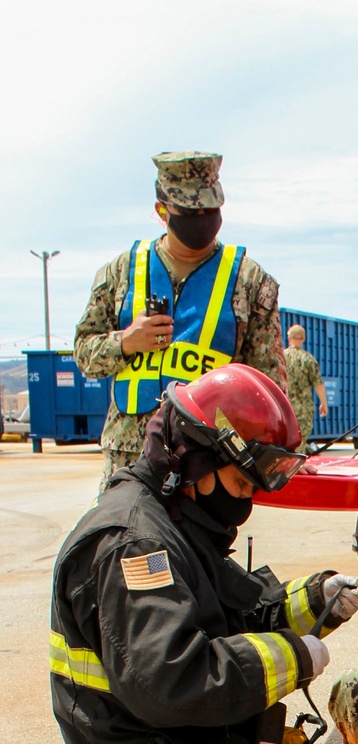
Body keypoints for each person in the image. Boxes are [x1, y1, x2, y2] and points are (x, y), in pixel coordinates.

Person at [31, 363, 358, 744]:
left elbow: (235, 610)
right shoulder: (135, 545)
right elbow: (172, 679)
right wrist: (294, 658)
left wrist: (319, 600)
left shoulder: (175, 519)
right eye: (242, 484)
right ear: (195, 462)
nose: (245, 504)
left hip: (181, 742)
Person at [74, 151, 287, 490]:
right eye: (190, 211)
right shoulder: (120, 273)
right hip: (129, 457)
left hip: (206, 464)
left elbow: (270, 385)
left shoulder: (249, 282)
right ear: (162, 210)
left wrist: (279, 456)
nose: (202, 218)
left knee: (196, 546)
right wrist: (126, 342)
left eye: (210, 210)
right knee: (125, 541)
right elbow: (84, 354)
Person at [284, 324, 328, 452]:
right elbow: (318, 384)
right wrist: (324, 404)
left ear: (289, 338)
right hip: (303, 410)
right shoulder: (308, 359)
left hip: (284, 407)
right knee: (299, 444)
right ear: (303, 339)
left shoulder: (280, 357)